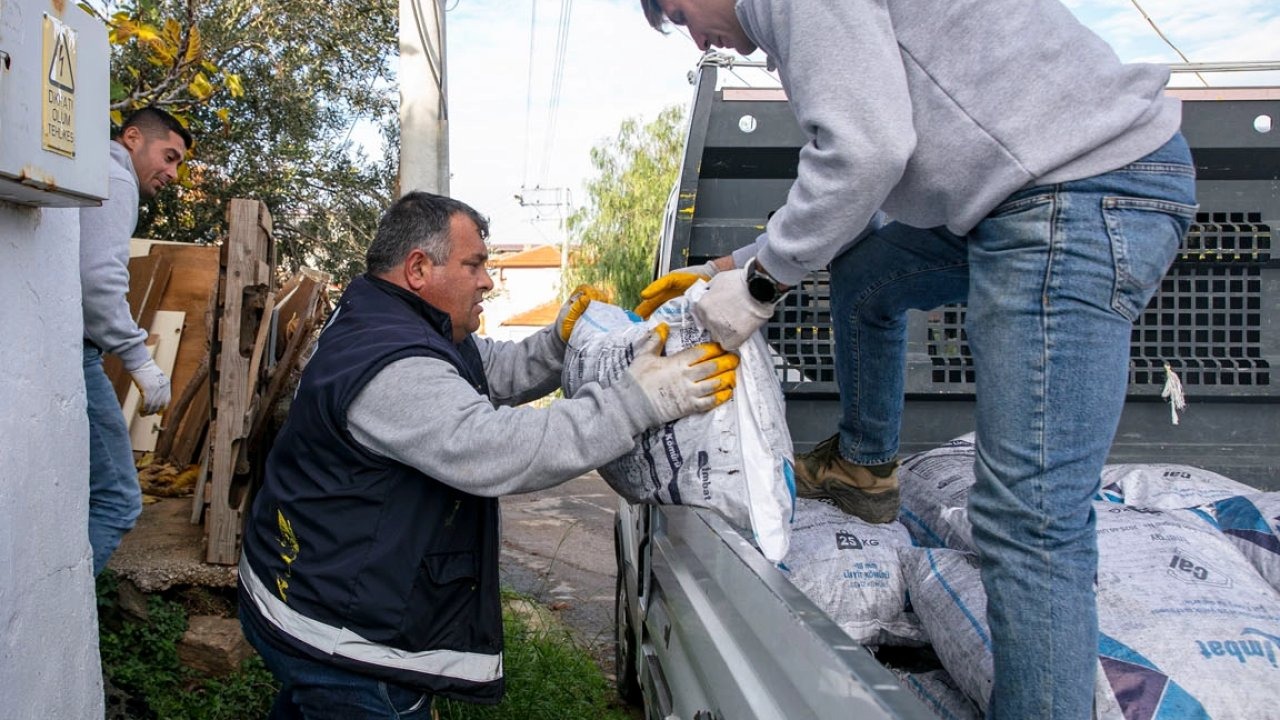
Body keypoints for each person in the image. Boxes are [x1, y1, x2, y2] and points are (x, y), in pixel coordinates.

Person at [635, 1, 1197, 717]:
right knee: (868, 276)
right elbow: (861, 199)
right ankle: (866, 463)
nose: (694, 35)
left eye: (680, 12)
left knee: (1029, 520)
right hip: (1013, 198)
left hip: (1077, 194)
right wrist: (735, 263)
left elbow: (864, 154)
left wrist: (758, 287)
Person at [237, 191, 739, 719]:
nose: (487, 281)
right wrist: (636, 402)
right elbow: (494, 449)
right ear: (417, 268)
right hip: (345, 640)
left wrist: (554, 344)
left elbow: (490, 370)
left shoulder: (398, 320)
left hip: (303, 595)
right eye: (474, 265)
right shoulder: (391, 364)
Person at [81, 107, 191, 575]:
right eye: (168, 157)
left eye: (178, 164)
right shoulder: (116, 178)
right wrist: (138, 360)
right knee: (119, 500)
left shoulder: (88, 169)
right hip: (76, 357)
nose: (171, 173)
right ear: (131, 138)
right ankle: (64, 616)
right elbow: (97, 281)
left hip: (60, 350)